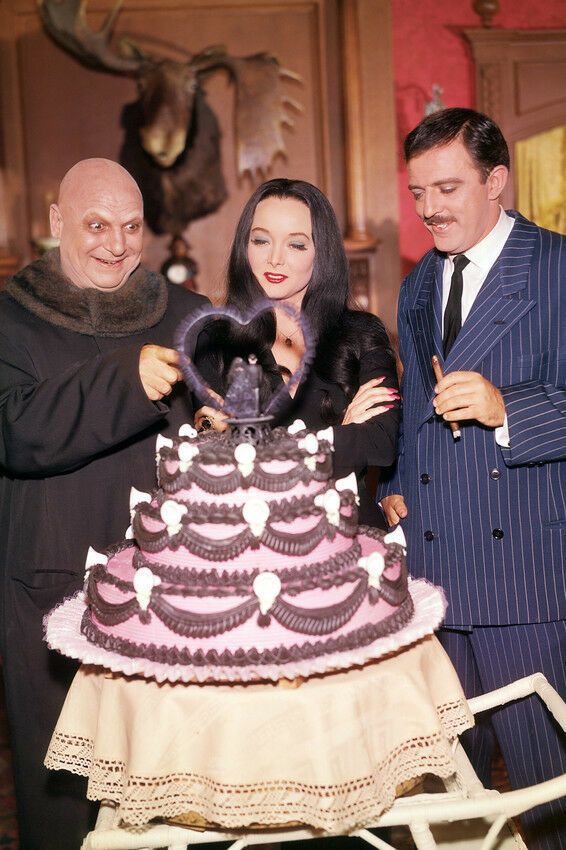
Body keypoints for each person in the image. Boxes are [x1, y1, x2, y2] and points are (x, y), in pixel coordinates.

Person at [0, 158, 210, 850]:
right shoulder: (9, 317)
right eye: (95, 226)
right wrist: (128, 378)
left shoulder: (184, 313)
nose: (116, 246)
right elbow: (19, 432)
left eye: (131, 227)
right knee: (63, 797)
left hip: (167, 597)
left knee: (170, 795)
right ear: (57, 223)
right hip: (52, 595)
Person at [378, 108, 565, 849]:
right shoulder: (420, 282)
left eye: (448, 187)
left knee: (548, 792)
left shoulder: (555, 268)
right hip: (433, 576)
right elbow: (419, 411)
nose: (429, 209)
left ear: (496, 181)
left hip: (526, 581)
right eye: (419, 190)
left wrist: (505, 406)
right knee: (450, 801)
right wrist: (396, 483)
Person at [194, 177, 400, 528]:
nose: (274, 258)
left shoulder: (363, 334)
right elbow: (216, 463)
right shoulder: (215, 340)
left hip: (352, 542)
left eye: (296, 245)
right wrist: (337, 436)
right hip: (251, 549)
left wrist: (266, 448)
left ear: (322, 253)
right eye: (261, 240)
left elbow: (380, 441)